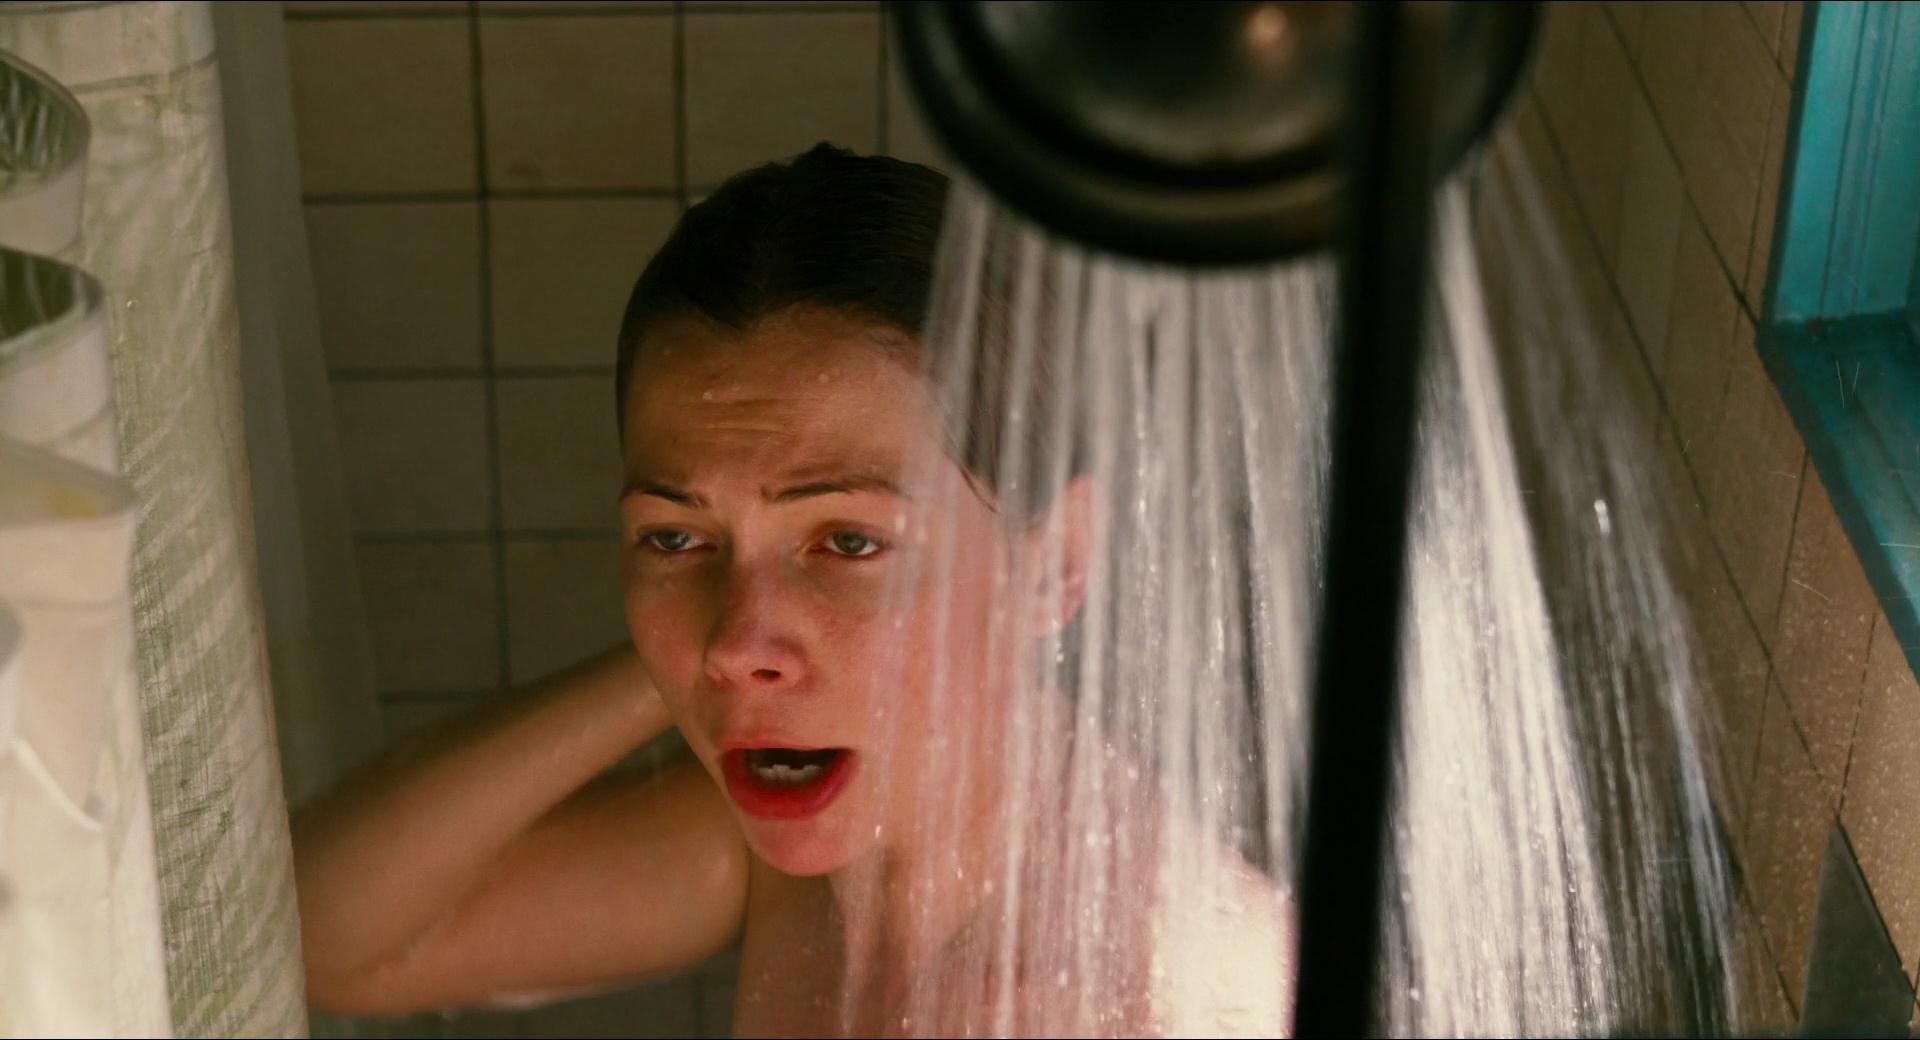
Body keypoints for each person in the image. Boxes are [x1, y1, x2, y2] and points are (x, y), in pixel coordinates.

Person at [293, 144, 1288, 1037]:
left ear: (1054, 564)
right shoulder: (819, 849)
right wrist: (685, 664)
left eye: (849, 540)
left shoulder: (1147, 996)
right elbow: (333, 938)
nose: (737, 643)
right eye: (674, 535)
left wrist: (712, 647)